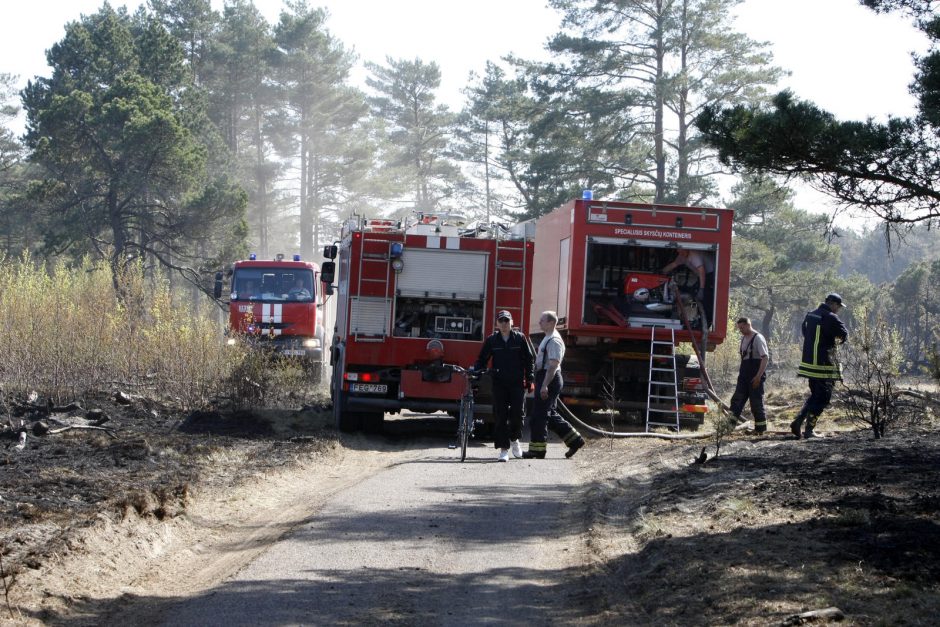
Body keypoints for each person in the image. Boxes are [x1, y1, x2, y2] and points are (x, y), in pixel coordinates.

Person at [523, 311, 586, 459]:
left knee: (539, 416)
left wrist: (544, 385)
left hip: (549, 379)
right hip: (545, 378)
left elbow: (553, 365)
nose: (539, 323)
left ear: (551, 322)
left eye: (542, 320)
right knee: (548, 415)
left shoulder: (554, 341)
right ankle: (575, 441)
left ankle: (537, 450)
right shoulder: (548, 338)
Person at [473, 310, 534, 462]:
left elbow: (529, 359)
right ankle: (503, 450)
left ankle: (515, 439)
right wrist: (476, 373)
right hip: (499, 383)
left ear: (512, 322)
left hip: (517, 383)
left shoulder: (519, 338)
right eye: (501, 321)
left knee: (518, 415)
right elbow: (482, 359)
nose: (504, 324)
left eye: (507, 321)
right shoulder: (492, 340)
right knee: (500, 416)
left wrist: (530, 379)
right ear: (497, 324)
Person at [791, 293, 849, 439]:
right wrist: (831, 342)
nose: (838, 310)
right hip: (825, 365)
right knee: (823, 398)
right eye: (838, 307)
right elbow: (844, 335)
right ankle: (809, 430)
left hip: (809, 364)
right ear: (833, 304)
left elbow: (805, 332)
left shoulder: (810, 315)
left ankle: (798, 422)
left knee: (815, 395)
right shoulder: (831, 317)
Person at [729, 317, 769, 434]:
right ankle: (728, 427)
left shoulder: (758, 338)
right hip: (743, 376)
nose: (740, 330)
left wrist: (758, 377)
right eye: (739, 328)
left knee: (756, 402)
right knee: (736, 401)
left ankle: (760, 429)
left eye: (742, 327)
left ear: (748, 325)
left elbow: (765, 358)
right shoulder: (743, 339)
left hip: (755, 375)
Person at [662, 247, 715, 328]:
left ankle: (705, 324)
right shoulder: (682, 255)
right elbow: (674, 264)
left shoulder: (694, 256)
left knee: (705, 298)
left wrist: (701, 289)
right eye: (678, 251)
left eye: (681, 251)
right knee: (693, 291)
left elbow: (702, 272)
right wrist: (661, 272)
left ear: (686, 249)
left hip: (711, 274)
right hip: (703, 275)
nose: (680, 253)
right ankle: (695, 318)